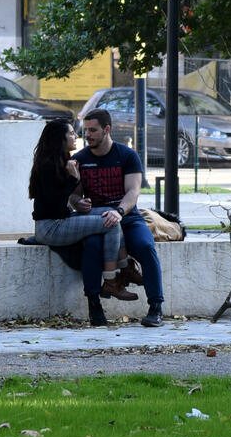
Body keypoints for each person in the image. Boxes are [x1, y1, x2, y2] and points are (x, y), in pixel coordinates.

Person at [29, 119, 138, 327]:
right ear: (59, 140)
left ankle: (117, 276)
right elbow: (53, 203)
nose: (75, 137)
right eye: (71, 134)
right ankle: (114, 276)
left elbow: (62, 202)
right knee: (111, 222)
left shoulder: (61, 160)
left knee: (111, 214)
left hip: (60, 220)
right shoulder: (48, 165)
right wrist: (72, 178)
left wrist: (80, 203)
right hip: (51, 227)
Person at [71, 108, 165, 327]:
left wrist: (119, 212)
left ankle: (156, 307)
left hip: (127, 217)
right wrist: (78, 203)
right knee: (92, 247)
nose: (88, 135)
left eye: (93, 130)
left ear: (107, 129)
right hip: (96, 221)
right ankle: (94, 307)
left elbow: (133, 192)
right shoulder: (80, 159)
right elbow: (74, 196)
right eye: (86, 131)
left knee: (146, 247)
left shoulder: (127, 156)